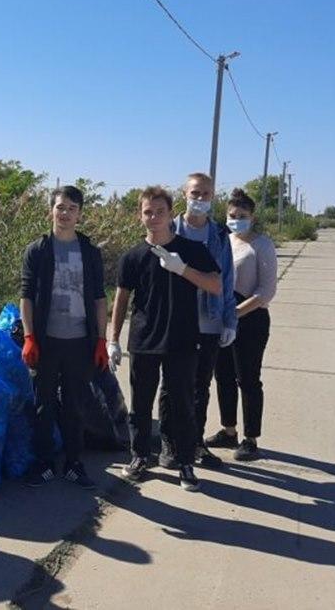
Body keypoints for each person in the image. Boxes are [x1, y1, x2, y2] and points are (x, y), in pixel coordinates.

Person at [109, 186, 221, 492]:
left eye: (159, 211)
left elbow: (215, 285)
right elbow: (120, 299)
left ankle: (185, 463)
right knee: (140, 404)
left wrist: (182, 268)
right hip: (144, 340)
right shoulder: (132, 256)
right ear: (140, 215)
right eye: (148, 212)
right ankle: (139, 456)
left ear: (170, 214)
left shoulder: (191, 250)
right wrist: (113, 339)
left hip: (182, 340)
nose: (154, 217)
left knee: (182, 404)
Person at [20, 185, 109, 490]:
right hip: (46, 341)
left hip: (80, 341)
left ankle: (73, 463)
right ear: (51, 211)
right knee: (43, 404)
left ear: (80, 214)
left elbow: (99, 297)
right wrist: (30, 336)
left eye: (72, 208)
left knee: (75, 404)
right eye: (60, 207)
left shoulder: (89, 251)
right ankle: (44, 463)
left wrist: (101, 340)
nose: (65, 213)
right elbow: (27, 297)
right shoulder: (38, 250)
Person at [158, 172, 237, 469]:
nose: (200, 199)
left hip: (209, 321)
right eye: (195, 193)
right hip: (175, 321)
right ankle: (168, 442)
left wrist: (230, 320)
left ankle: (195, 443)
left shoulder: (218, 236)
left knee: (200, 386)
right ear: (184, 194)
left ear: (212, 197)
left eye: (205, 194)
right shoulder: (169, 229)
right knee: (170, 384)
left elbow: (227, 279)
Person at [205, 188, 277, 461]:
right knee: (222, 376)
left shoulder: (262, 244)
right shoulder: (224, 241)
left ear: (252, 216)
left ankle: (250, 438)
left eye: (242, 215)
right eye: (232, 215)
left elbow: (266, 291)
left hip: (250, 318)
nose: (236, 220)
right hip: (222, 317)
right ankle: (229, 429)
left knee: (247, 378)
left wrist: (235, 312)